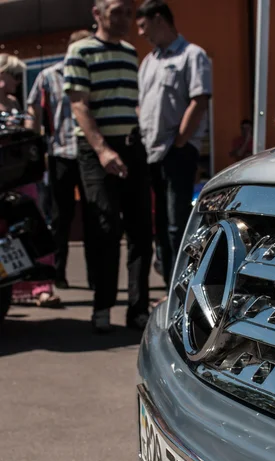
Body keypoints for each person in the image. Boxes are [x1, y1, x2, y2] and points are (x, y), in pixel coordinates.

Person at [64, 0, 153, 333]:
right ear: (97, 13)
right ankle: (102, 307)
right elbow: (79, 106)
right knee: (105, 230)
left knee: (142, 232)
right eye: (116, 11)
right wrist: (102, 150)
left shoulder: (131, 52)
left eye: (128, 12)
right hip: (96, 150)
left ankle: (138, 310)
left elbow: (133, 103)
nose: (124, 18)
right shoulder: (80, 52)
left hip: (131, 149)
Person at [136, 0, 212, 288]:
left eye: (143, 26)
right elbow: (141, 105)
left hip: (176, 152)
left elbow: (199, 101)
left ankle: (181, 290)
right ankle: (169, 288)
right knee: (160, 228)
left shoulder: (192, 56)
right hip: (151, 154)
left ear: (159, 19)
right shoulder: (148, 62)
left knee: (176, 226)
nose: (142, 33)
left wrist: (180, 142)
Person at [27, 30, 95, 291]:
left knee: (93, 217)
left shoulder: (91, 74)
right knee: (60, 218)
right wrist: (33, 147)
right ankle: (58, 273)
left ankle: (95, 276)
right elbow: (33, 109)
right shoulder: (48, 76)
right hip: (60, 154)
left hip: (89, 154)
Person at [0, 53, 61, 308]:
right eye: (12, 75)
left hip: (20, 176)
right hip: (3, 179)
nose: (16, 81)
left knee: (31, 227)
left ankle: (40, 286)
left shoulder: (15, 102)